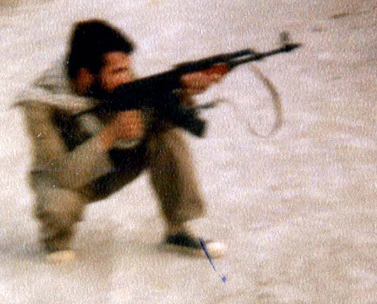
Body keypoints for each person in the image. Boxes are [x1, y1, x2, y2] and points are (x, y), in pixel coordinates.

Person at [14, 20, 226, 263]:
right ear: (85, 74)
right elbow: (60, 175)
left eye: (127, 70)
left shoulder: (119, 80)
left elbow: (159, 117)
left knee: (166, 136)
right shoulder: (39, 104)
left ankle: (178, 230)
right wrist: (110, 135)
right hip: (70, 178)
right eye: (117, 72)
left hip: (116, 163)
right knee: (57, 205)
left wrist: (184, 92)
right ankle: (56, 240)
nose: (127, 78)